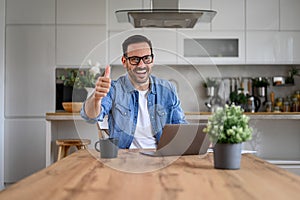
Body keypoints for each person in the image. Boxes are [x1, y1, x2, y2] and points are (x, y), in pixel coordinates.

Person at [81, 34, 187, 149]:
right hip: (124, 159)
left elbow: (181, 125)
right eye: (135, 59)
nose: (141, 65)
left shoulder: (168, 89)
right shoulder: (114, 89)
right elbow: (90, 117)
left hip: (161, 156)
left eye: (146, 58)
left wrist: (200, 141)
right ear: (124, 61)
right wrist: (96, 98)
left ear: (152, 60)